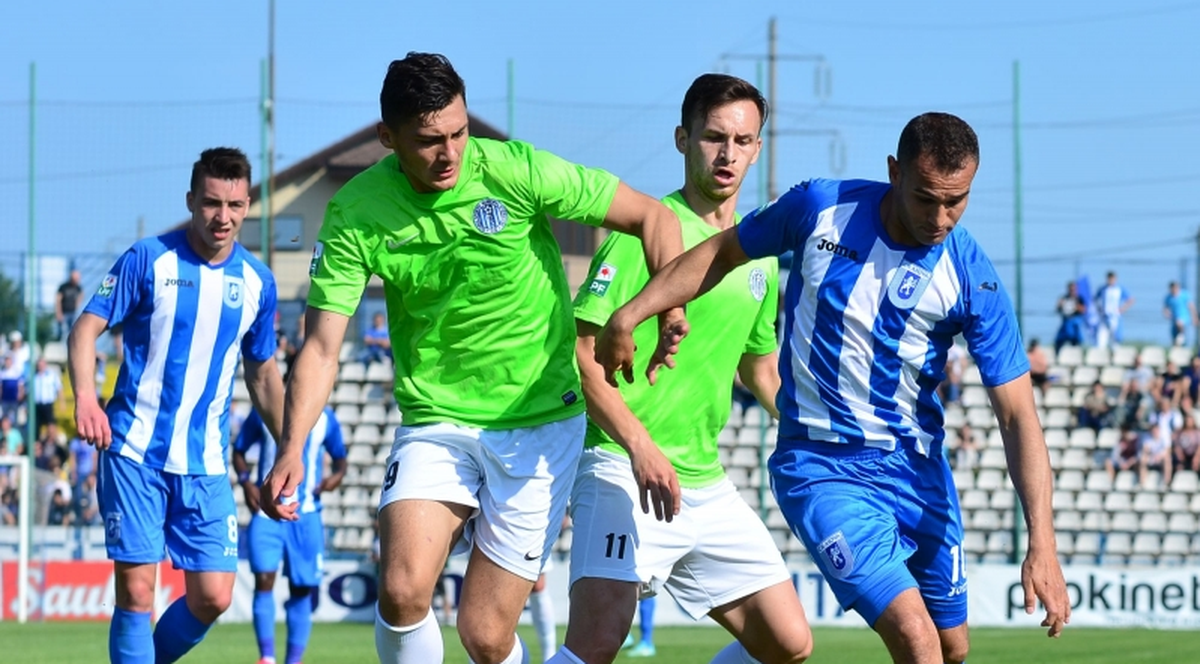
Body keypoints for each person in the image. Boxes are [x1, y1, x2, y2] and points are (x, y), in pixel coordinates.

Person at [594, 112, 1070, 664]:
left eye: (957, 200)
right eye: (925, 198)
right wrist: (632, 313)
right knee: (916, 640)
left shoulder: (972, 275)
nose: (941, 217)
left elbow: (1017, 417)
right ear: (894, 172)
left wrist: (1043, 541)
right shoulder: (820, 209)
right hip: (823, 467)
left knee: (950, 647)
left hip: (918, 471)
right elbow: (720, 254)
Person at [261, 53, 685, 664]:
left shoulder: (514, 170)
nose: (450, 153)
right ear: (388, 138)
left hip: (539, 421)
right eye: (429, 140)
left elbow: (652, 214)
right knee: (403, 589)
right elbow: (323, 347)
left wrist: (661, 310)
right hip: (437, 418)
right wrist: (293, 445)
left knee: (485, 636)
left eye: (459, 133)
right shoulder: (356, 211)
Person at [558, 73, 811, 664]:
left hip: (703, 480)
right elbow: (581, 354)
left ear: (758, 148)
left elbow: (760, 369)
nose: (728, 154)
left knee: (788, 644)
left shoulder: (759, 258)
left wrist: (810, 427)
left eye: (743, 141)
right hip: (622, 465)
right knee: (597, 643)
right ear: (682, 139)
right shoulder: (641, 233)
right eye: (714, 137)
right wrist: (640, 447)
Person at [68, 147, 286, 664]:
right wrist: (85, 397)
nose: (222, 216)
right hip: (134, 449)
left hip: (205, 463)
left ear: (248, 204)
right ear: (191, 200)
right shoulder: (149, 259)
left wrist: (290, 448)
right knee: (138, 594)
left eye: (234, 204)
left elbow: (263, 372)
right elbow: (85, 329)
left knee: (213, 596)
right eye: (211, 202)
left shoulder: (258, 282)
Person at [233, 405, 347, 664]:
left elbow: (341, 458)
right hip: (267, 513)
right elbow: (238, 450)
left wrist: (335, 477)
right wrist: (246, 482)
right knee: (263, 579)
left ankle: (293, 660)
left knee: (302, 588)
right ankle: (267, 658)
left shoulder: (325, 417)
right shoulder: (266, 407)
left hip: (306, 514)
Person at [1094, 271, 1133, 350]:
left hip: (1115, 318)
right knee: (1101, 340)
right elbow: (1095, 299)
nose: (1110, 281)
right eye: (1109, 279)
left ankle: (1115, 358)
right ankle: (1100, 358)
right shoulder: (1103, 289)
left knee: (1115, 342)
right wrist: (1099, 309)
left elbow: (1130, 299)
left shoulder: (1119, 289)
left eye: (1112, 279)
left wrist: (1122, 309)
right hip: (1104, 317)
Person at [32, 357, 63, 437]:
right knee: (36, 426)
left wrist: (62, 402)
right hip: (36, 404)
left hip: (48, 404)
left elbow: (59, 388)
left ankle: (52, 441)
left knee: (51, 424)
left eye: (42, 364)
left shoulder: (52, 375)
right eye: (39, 365)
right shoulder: (33, 376)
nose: (40, 366)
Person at [1054, 280, 1087, 352]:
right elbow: (1058, 310)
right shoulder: (1064, 298)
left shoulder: (1079, 298)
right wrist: (1060, 305)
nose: (1072, 291)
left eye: (1074, 289)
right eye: (1071, 289)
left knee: (1074, 331)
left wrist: (1077, 307)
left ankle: (1076, 345)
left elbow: (1084, 310)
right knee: (1060, 337)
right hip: (1066, 321)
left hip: (1075, 321)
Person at [1163, 281, 1197, 348]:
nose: (1174, 290)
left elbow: (1191, 306)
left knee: (1180, 322)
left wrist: (1194, 317)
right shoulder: (1168, 297)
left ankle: (1181, 335)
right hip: (1174, 320)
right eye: (1172, 289)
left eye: (1175, 288)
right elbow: (1165, 308)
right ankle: (1178, 346)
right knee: (1175, 340)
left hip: (1185, 317)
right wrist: (1167, 314)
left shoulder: (1184, 295)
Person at [56, 270, 84, 341]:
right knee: (64, 333)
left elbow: (81, 295)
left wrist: (77, 305)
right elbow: (58, 299)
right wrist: (59, 313)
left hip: (73, 312)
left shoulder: (78, 287)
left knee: (74, 331)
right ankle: (64, 349)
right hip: (64, 313)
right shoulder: (63, 287)